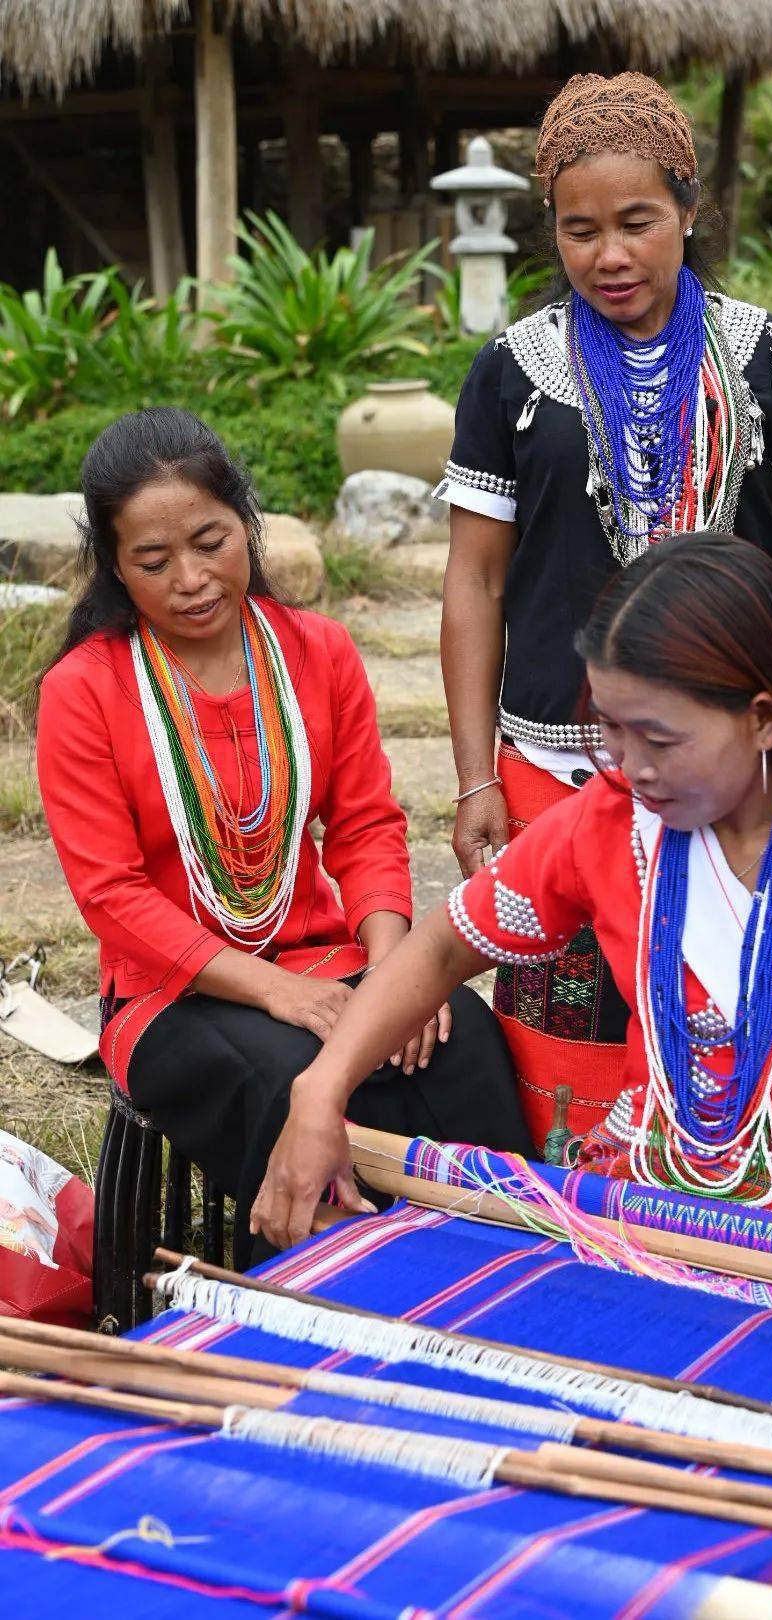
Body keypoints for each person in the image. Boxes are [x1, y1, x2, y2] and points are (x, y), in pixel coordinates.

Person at [255, 534, 772, 1427]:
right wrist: (318, 1090)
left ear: (765, 718)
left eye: (660, 737)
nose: (630, 765)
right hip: (633, 1216)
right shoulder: (608, 824)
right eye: (609, 729)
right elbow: (442, 950)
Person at [438, 72, 772, 1152]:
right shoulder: (511, 375)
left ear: (688, 209)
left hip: (728, 762)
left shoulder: (768, 360)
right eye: (580, 231)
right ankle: (571, 1264)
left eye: (637, 222)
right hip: (554, 766)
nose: (609, 255)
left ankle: (712, 1243)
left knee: (712, 1024)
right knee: (560, 1048)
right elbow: (476, 584)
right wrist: (477, 773)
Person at [37, 408, 532, 1267]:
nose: (190, 579)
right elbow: (112, 895)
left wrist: (390, 972)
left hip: (332, 959)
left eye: (210, 541)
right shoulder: (85, 689)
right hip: (172, 995)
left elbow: (368, 825)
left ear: (247, 523)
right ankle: (349, 1295)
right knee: (277, 1081)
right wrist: (277, 993)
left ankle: (503, 1284)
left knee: (463, 1044)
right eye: (152, 562)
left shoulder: (317, 651)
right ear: (115, 568)